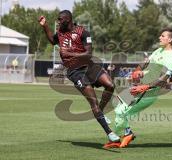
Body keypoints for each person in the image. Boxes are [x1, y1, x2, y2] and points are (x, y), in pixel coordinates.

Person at [38, 10, 120, 148]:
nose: (58, 21)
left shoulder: (83, 32)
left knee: (110, 85)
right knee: (93, 102)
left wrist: (68, 52)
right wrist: (45, 26)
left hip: (90, 66)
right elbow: (53, 40)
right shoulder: (60, 33)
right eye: (57, 19)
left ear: (68, 19)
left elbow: (89, 54)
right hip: (75, 71)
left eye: (60, 19)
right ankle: (110, 133)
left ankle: (100, 112)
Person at [114, 28, 172, 148]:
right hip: (139, 87)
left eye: (163, 36)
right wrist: (137, 71)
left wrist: (145, 86)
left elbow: (164, 78)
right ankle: (127, 133)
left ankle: (118, 137)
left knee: (120, 112)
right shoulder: (159, 50)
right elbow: (146, 62)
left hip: (148, 92)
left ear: (169, 39)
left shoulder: (171, 57)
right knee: (117, 105)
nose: (160, 37)